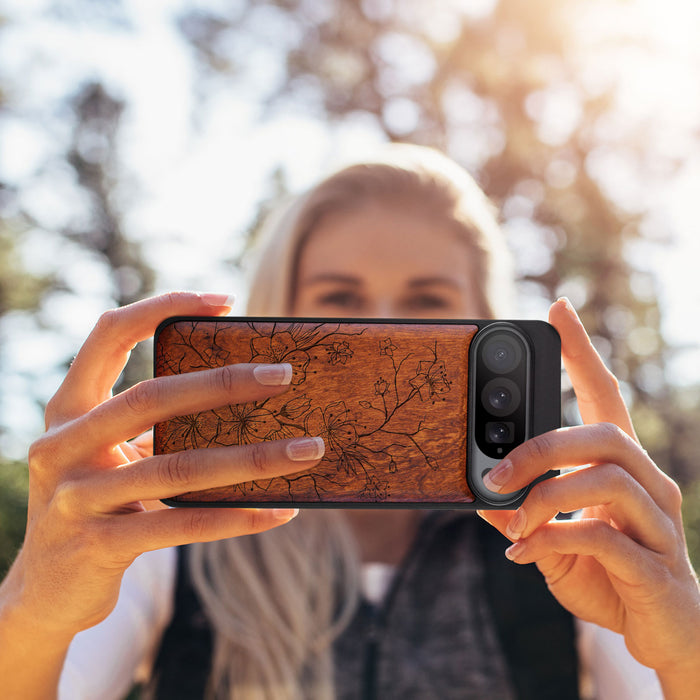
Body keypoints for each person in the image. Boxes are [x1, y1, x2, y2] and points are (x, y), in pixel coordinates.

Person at [0, 145, 698, 700]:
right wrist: (34, 607)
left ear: (488, 322)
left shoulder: (567, 544)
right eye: (341, 300)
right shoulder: (170, 537)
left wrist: (685, 648)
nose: (385, 331)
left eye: (427, 303)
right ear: (278, 316)